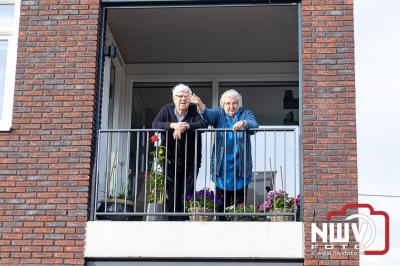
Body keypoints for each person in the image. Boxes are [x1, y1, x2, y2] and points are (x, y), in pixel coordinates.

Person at [191, 89, 259, 215]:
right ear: (223, 105)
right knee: (221, 205)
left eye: (234, 103)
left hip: (241, 166)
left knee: (240, 206)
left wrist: (244, 123)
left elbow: (254, 125)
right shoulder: (219, 113)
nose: (231, 106)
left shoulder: (246, 113)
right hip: (221, 166)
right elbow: (208, 114)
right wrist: (199, 103)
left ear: (239, 104)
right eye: (228, 103)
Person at [152, 83, 207, 220]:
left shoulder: (193, 110)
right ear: (173, 98)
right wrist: (173, 125)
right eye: (180, 96)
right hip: (170, 159)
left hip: (191, 160)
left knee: (187, 192)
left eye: (186, 96)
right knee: (171, 193)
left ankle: (184, 221)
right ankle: (173, 221)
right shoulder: (166, 110)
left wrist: (186, 126)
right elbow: (155, 124)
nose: (183, 99)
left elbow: (204, 124)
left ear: (190, 98)